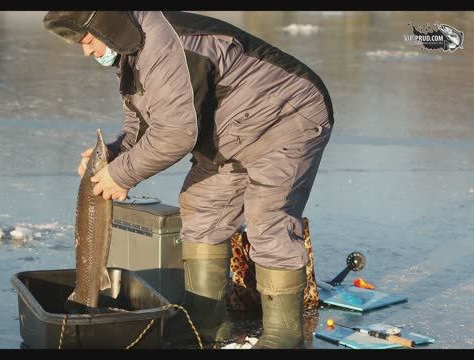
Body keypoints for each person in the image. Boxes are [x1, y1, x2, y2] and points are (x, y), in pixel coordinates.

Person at [43, 11, 333, 349]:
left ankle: (284, 338)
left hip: (285, 117)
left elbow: (176, 134)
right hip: (227, 132)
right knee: (201, 210)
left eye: (88, 41)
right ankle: (206, 326)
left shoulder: (165, 46)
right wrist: (115, 154)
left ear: (105, 26)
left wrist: (122, 174)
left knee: (267, 222)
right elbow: (144, 122)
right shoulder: (131, 51)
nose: (87, 52)